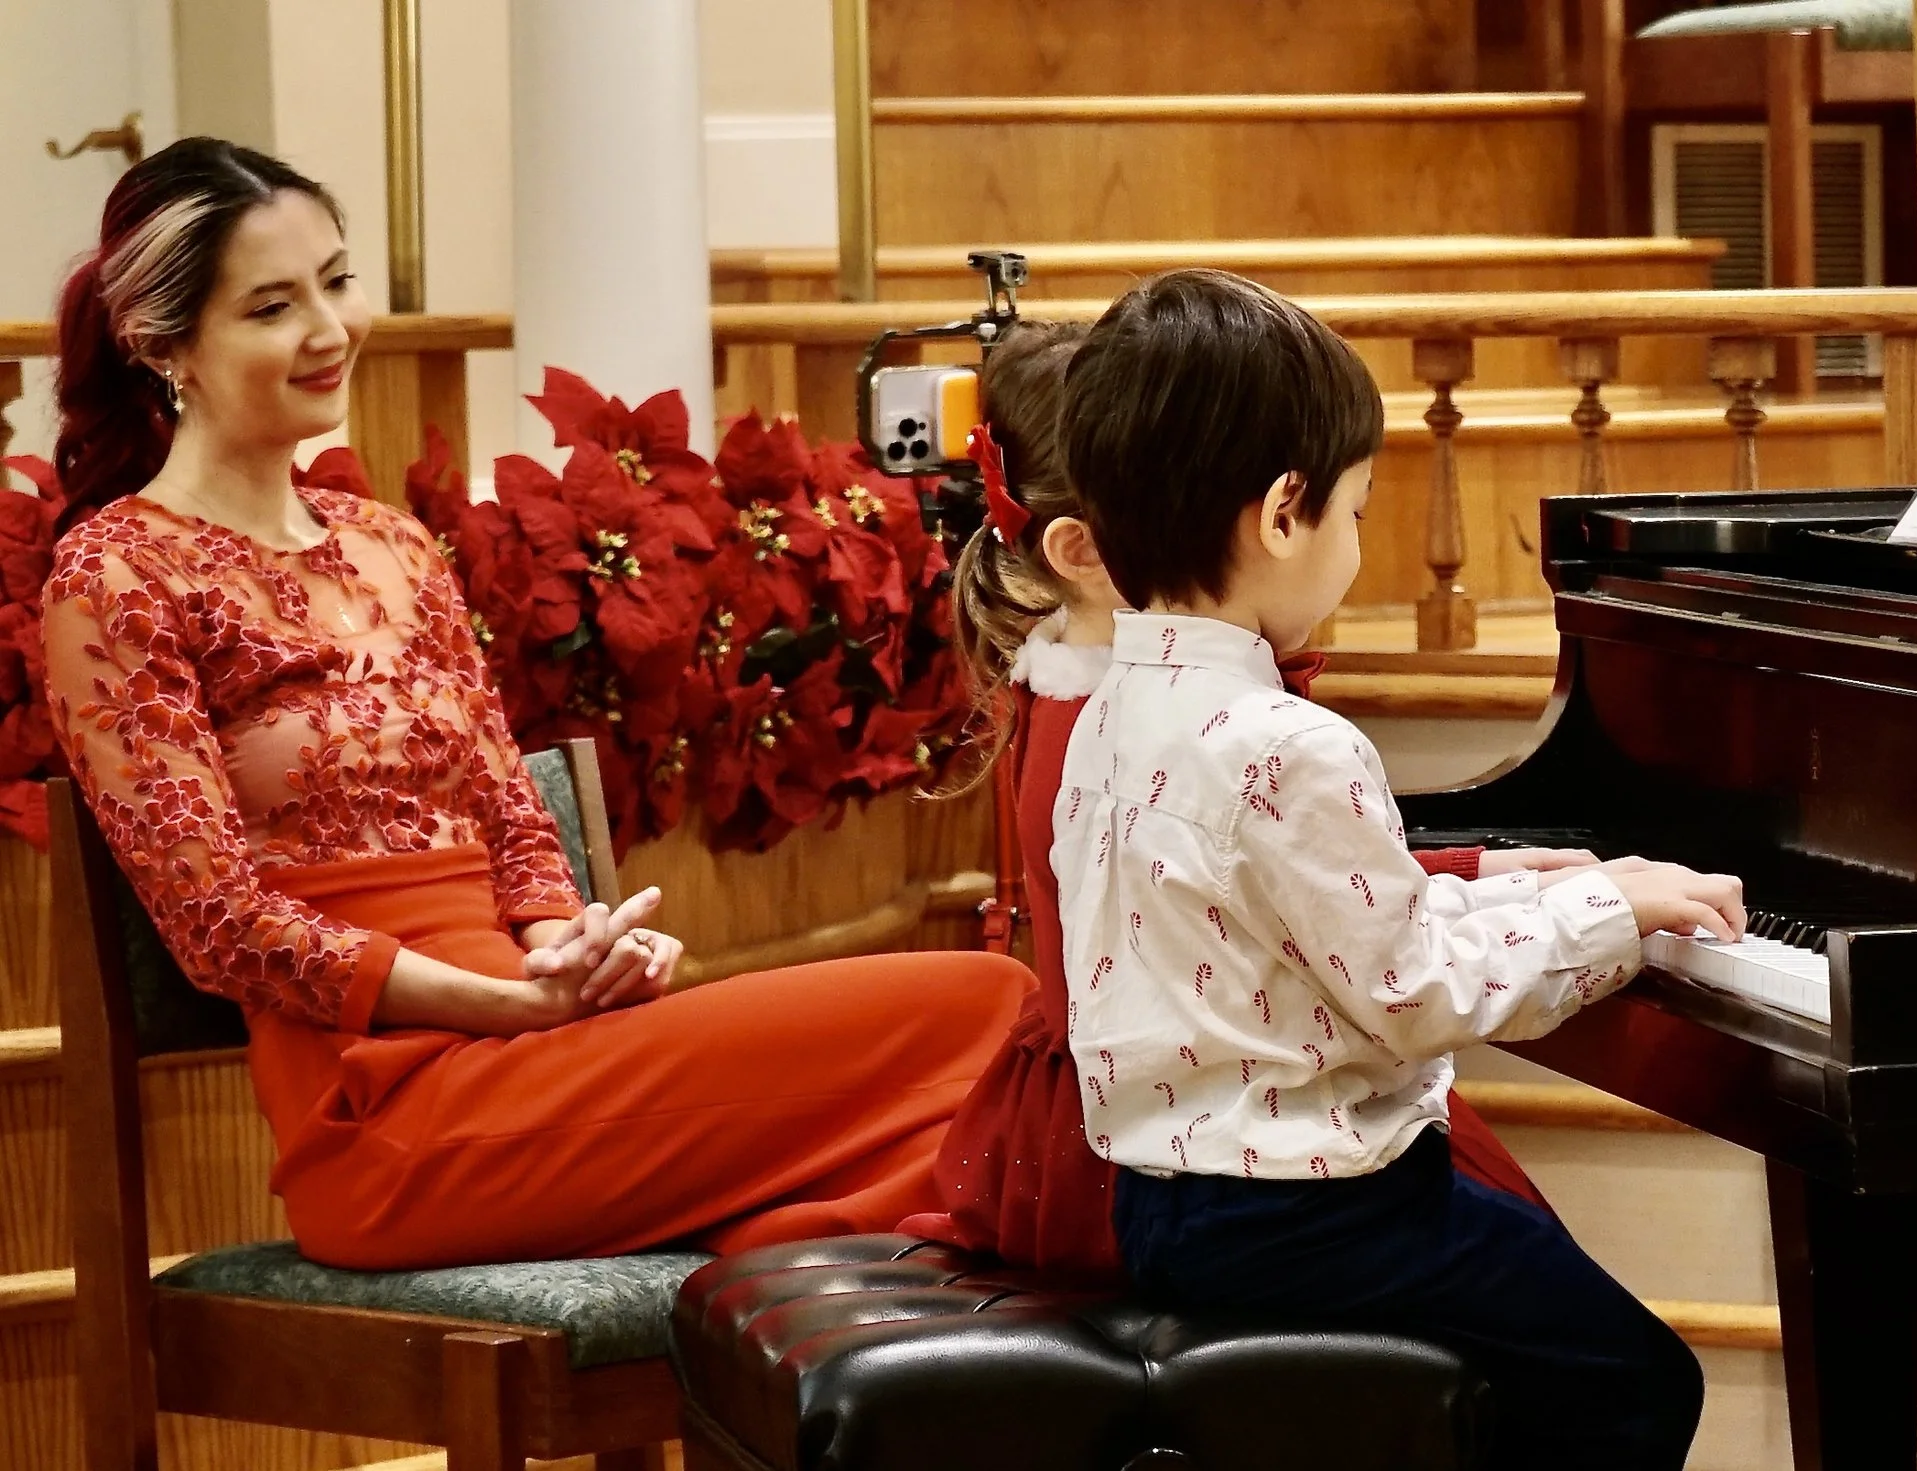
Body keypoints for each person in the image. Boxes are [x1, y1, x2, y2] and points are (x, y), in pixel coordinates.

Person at [39, 137, 1030, 1270]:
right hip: (390, 1123)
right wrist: (498, 1006)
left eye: (337, 279)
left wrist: (575, 952)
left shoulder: (392, 547)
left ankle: (775, 1285)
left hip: (538, 1050)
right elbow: (222, 928)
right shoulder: (117, 573)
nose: (330, 328)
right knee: (984, 1012)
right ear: (163, 344)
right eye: (272, 306)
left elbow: (514, 825)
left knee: (986, 1038)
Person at [1054, 269, 1745, 1468]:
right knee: (1634, 1380)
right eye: (1359, 511)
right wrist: (1606, 909)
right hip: (1316, 1214)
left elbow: (1315, 925)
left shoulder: (1110, 714)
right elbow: (1414, 991)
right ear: (1282, 513)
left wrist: (1529, 890)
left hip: (1164, 1203)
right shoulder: (1290, 741)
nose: (1357, 543)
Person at [909, 321, 1578, 1281]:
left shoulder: (1109, 697)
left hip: (1185, 1083)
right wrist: (1564, 908)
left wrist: (1473, 872)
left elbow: (1256, 885)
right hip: (1172, 1134)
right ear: (1085, 548)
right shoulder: (1121, 718)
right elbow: (1281, 914)